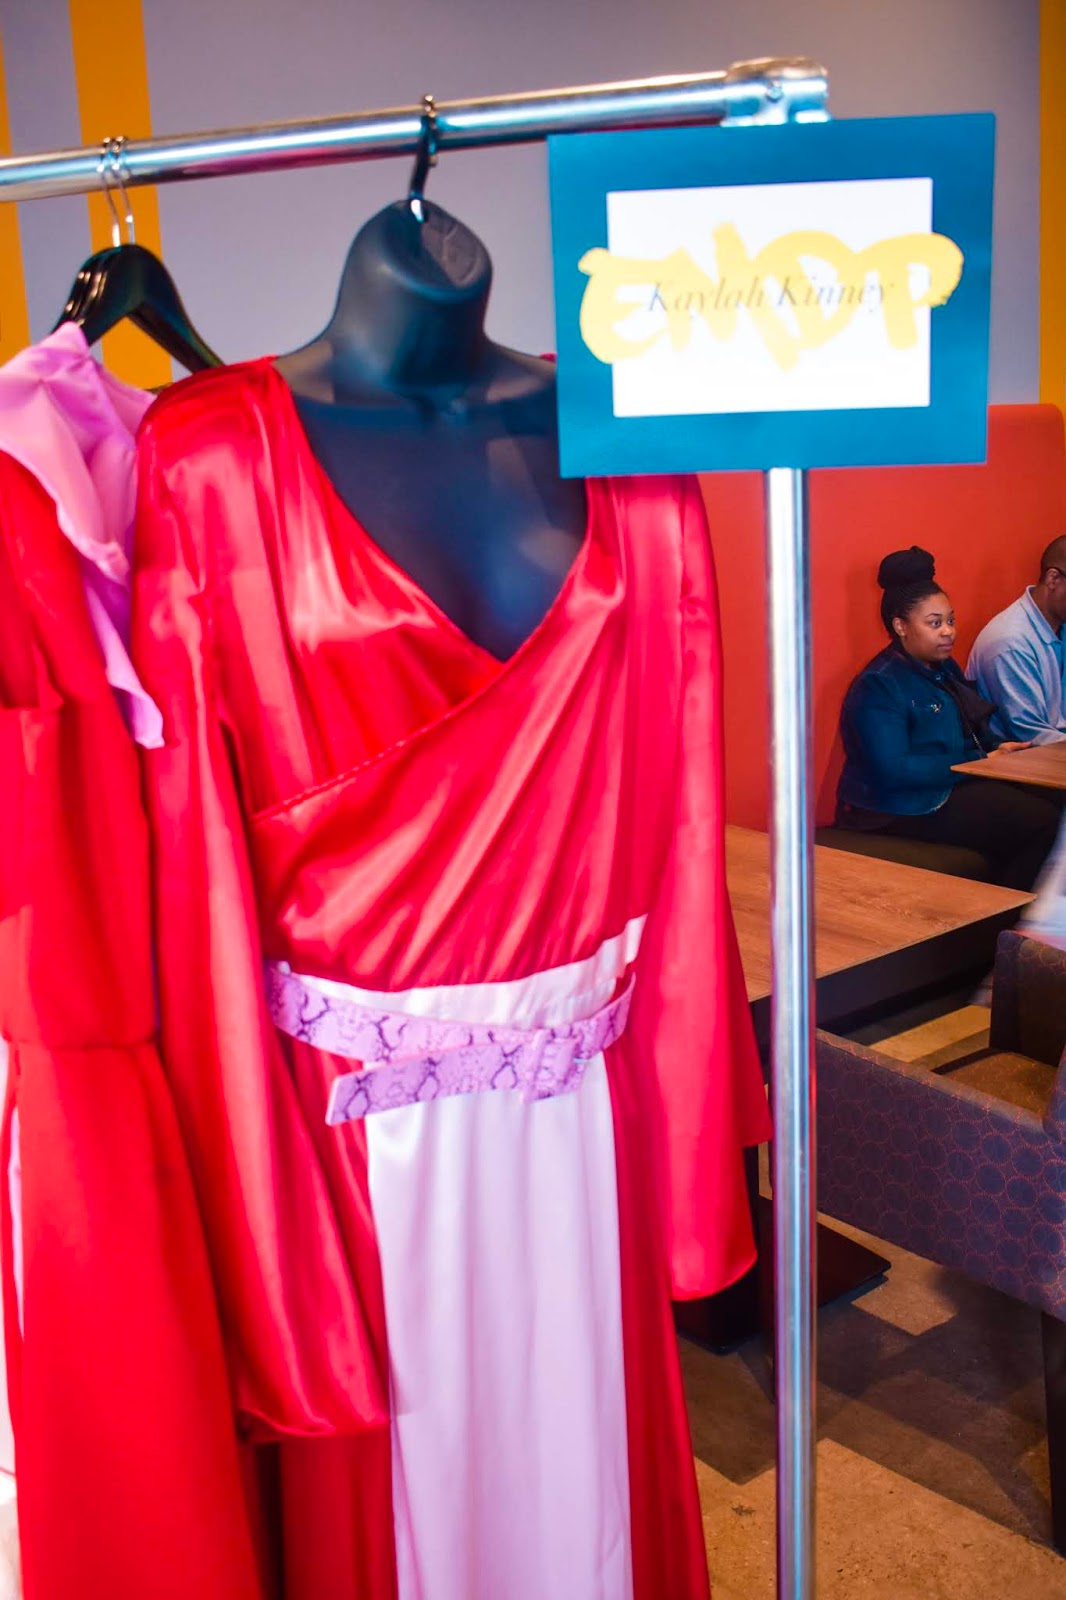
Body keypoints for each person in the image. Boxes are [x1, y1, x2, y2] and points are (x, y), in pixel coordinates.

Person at [836, 546, 1061, 891]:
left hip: (949, 783)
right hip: (895, 806)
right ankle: (1007, 917)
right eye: (935, 623)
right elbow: (894, 771)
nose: (948, 632)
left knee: (1054, 799)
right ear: (901, 626)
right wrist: (977, 761)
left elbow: (971, 730)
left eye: (950, 621)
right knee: (1041, 822)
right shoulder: (879, 684)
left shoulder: (943, 668)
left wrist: (1000, 752)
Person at [967, 535, 1066, 744]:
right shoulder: (1009, 642)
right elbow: (1031, 735)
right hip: (1022, 759)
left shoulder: (1059, 623)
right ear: (1053, 579)